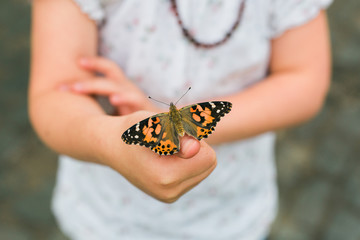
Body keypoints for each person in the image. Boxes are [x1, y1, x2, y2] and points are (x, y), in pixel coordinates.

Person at [29, 0, 332, 239]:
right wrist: (113, 138)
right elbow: (55, 93)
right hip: (108, 220)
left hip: (232, 217)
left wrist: (170, 128)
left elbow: (304, 81)